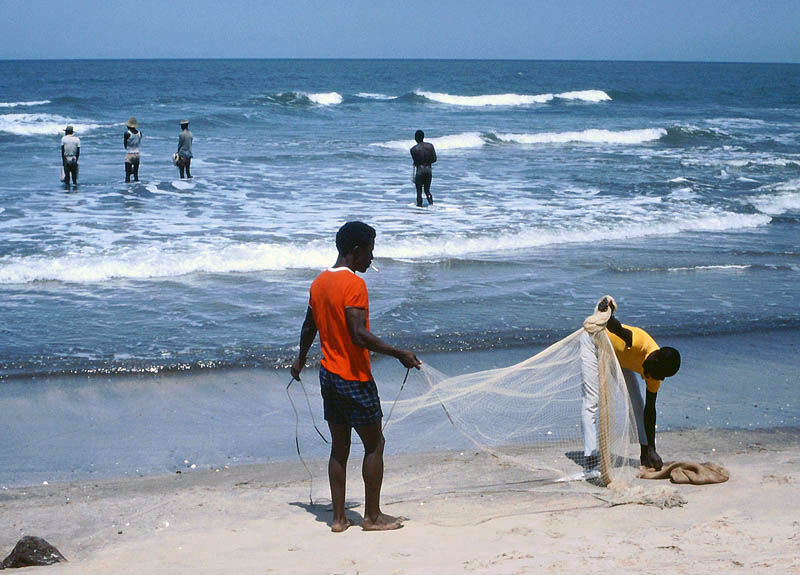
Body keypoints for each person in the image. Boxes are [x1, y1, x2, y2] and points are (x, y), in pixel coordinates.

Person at [291, 221, 421, 532]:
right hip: (355, 378)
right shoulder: (354, 285)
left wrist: (300, 359)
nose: (371, 259)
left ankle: (338, 519)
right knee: (375, 444)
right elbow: (358, 335)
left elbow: (309, 327)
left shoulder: (319, 283)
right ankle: (372, 517)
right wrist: (399, 353)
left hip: (328, 376)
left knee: (339, 447)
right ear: (356, 250)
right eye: (370, 252)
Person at [580, 297, 680, 471]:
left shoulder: (656, 372)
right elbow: (615, 327)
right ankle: (590, 455)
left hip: (619, 360)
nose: (658, 379)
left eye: (662, 377)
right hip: (594, 343)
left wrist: (651, 449)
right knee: (592, 400)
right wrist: (606, 311)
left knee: (637, 403)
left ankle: (644, 453)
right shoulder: (639, 341)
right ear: (653, 359)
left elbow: (650, 410)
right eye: (658, 375)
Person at [410, 130, 436, 207]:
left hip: (420, 171)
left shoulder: (413, 149)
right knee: (427, 191)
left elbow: (416, 162)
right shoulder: (430, 146)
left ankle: (419, 209)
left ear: (416, 138)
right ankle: (431, 206)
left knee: (419, 191)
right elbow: (434, 159)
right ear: (423, 137)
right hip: (428, 170)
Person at [123, 117, 142, 183]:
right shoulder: (139, 133)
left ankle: (127, 189)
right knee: (136, 173)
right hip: (137, 154)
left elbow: (125, 144)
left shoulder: (127, 133)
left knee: (127, 174)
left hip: (130, 154)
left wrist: (127, 148)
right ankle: (136, 187)